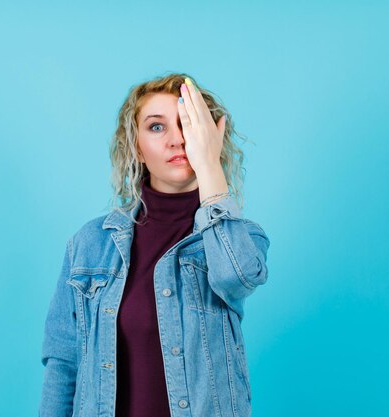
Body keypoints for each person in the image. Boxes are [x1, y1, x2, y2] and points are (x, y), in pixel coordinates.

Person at [39, 73, 270, 417]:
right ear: (136, 148)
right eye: (157, 127)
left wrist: (209, 165)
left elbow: (235, 278)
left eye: (188, 124)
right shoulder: (90, 244)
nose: (177, 140)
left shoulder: (240, 236)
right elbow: (63, 364)